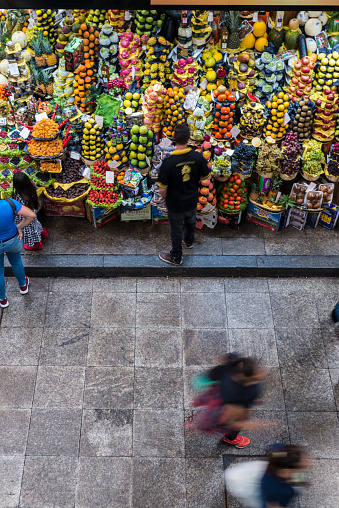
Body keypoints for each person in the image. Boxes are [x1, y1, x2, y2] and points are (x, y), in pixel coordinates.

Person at [187, 353, 267, 449]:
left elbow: (216, 371)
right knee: (233, 429)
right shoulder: (242, 394)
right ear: (246, 380)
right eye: (256, 378)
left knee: (205, 411)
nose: (259, 380)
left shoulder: (231, 366)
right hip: (225, 409)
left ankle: (196, 417)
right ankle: (230, 439)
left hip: (215, 396)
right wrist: (261, 425)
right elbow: (233, 422)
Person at [157, 123, 210, 265]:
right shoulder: (197, 157)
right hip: (192, 199)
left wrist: (163, 199)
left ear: (174, 140)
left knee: (176, 229)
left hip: (175, 203)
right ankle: (189, 241)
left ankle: (176, 257)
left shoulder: (168, 162)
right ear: (188, 139)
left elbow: (162, 188)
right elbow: (205, 178)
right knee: (191, 220)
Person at [0, 197, 36, 308]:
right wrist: (19, 226)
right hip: (13, 240)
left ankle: (3, 299)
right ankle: (23, 286)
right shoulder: (9, 203)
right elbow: (31, 215)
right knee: (16, 262)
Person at [12, 172, 48, 250]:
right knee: (36, 225)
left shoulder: (21, 198)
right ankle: (42, 233)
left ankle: (36, 245)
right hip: (33, 212)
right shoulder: (32, 188)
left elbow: (22, 213)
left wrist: (19, 226)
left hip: (25, 218)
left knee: (30, 231)